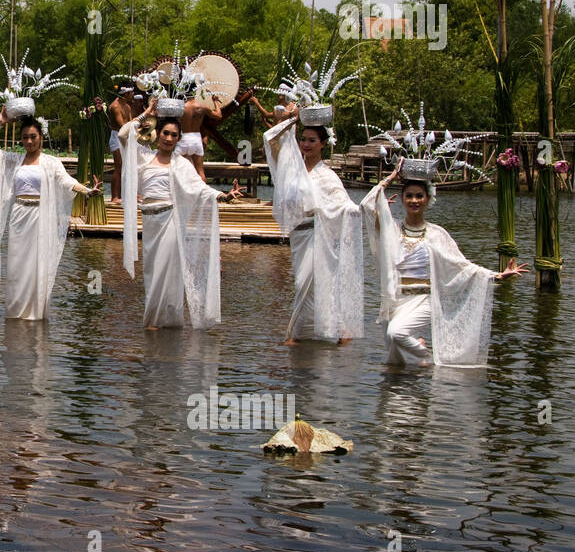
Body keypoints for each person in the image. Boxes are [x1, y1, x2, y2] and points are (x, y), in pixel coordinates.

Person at [362, 159, 528, 366]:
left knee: (397, 333)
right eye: (410, 196)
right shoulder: (392, 228)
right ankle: (409, 388)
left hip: (424, 299)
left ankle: (430, 360)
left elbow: (461, 265)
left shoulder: (436, 234)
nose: (414, 200)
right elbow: (366, 207)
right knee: (396, 361)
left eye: (419, 196)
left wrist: (496, 275)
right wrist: (391, 177)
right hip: (395, 297)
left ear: (428, 199)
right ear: (402, 199)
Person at [119, 106, 241, 329]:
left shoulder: (182, 164)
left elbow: (200, 189)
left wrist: (223, 195)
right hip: (150, 221)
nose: (168, 138)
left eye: (174, 135)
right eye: (165, 133)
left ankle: (155, 324)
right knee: (152, 272)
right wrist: (147, 113)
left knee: (167, 272)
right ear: (158, 133)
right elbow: (123, 134)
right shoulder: (143, 157)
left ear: (178, 139)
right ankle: (163, 323)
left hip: (170, 222)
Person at [0, 108, 100, 321]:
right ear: (21, 140)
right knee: (18, 265)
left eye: (33, 137)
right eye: (25, 138)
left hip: (41, 217)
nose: (29, 141)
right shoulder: (15, 159)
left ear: (41, 138)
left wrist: (87, 191)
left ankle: (35, 312)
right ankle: (16, 311)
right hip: (19, 215)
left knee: (38, 264)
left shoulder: (51, 162)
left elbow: (66, 181)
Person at [264, 116, 363, 344]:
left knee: (304, 285)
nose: (306, 144)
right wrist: (294, 119)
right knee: (310, 287)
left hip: (318, 235)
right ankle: (337, 331)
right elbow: (270, 139)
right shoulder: (293, 170)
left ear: (323, 144)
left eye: (312, 140)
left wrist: (367, 208)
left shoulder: (327, 176)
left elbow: (346, 206)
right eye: (303, 140)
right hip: (298, 236)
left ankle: (295, 337)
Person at [107, 84, 146, 204]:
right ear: (126, 94)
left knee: (130, 166)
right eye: (131, 93)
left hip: (127, 137)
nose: (133, 95)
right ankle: (115, 197)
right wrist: (137, 123)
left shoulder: (127, 107)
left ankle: (131, 195)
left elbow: (130, 123)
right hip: (117, 137)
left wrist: (141, 126)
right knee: (119, 167)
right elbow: (123, 126)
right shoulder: (115, 106)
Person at [178, 97, 217, 181]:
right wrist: (215, 101)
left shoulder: (180, 106)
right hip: (196, 139)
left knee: (174, 169)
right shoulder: (202, 106)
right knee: (200, 172)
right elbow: (219, 115)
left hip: (183, 139)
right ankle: (203, 193)